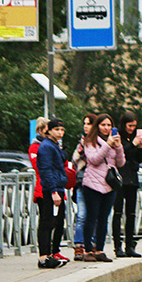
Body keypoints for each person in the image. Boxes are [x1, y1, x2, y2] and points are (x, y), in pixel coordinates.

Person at [80, 113, 125, 262]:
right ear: (97, 126)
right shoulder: (90, 141)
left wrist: (118, 148)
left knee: (104, 218)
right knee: (91, 217)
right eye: (103, 125)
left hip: (109, 184)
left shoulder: (114, 141)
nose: (106, 128)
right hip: (92, 184)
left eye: (109, 125)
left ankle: (99, 249)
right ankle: (87, 250)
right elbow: (94, 159)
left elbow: (120, 163)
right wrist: (107, 145)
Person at [36, 118, 70, 269]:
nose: (60, 132)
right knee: (47, 222)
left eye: (62, 130)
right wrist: (53, 191)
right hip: (51, 189)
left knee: (56, 222)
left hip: (58, 187)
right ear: (49, 130)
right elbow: (46, 170)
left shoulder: (55, 145)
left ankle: (51, 254)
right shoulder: (46, 147)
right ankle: (44, 257)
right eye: (57, 129)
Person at [113, 114, 142, 257]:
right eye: (129, 126)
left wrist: (140, 147)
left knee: (131, 213)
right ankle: (117, 245)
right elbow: (121, 152)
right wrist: (133, 144)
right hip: (120, 177)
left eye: (134, 126)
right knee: (118, 213)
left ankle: (130, 245)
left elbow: (140, 159)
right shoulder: (118, 137)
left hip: (132, 178)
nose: (132, 129)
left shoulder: (133, 139)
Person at [71, 115, 94, 261]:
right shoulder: (81, 143)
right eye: (84, 123)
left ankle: (93, 246)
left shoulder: (101, 142)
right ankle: (79, 247)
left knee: (95, 216)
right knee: (81, 215)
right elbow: (74, 161)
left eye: (89, 124)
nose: (85, 126)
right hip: (81, 182)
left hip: (97, 183)